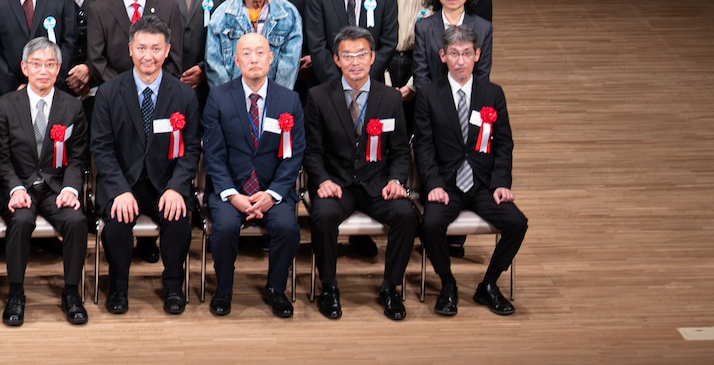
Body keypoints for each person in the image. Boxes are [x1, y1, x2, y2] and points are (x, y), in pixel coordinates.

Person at [304, 26, 417, 320]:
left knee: (406, 214)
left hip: (376, 184)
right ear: (336, 60)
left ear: (372, 58)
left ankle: (390, 288)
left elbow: (401, 151)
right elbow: (312, 151)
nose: (355, 61)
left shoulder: (390, 99)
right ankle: (328, 287)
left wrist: (396, 180)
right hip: (337, 184)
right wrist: (322, 180)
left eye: (361, 55)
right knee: (323, 215)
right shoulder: (318, 96)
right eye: (348, 55)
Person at [413, 25, 526, 316]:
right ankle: (447, 283)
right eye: (454, 54)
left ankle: (488, 285)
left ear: (477, 55)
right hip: (446, 185)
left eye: (466, 53)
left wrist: (501, 182)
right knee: (430, 225)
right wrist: (434, 184)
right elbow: (424, 147)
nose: (460, 61)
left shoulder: (493, 93)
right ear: (443, 56)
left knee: (517, 222)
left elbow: (504, 144)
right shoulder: (428, 95)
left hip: (482, 185)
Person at [91, 15, 197, 314]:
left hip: (165, 184)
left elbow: (190, 151)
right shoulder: (110, 93)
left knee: (178, 221)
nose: (148, 55)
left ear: (167, 51)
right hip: (123, 182)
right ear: (130, 50)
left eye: (155, 48)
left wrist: (177, 187)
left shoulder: (184, 95)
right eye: (141, 48)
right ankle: (118, 288)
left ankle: (174, 285)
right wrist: (119, 190)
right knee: (116, 225)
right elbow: (101, 147)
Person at [199, 32, 303, 318]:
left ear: (271, 58)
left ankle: (276, 289)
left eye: (260, 52)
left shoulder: (290, 100)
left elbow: (293, 155)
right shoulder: (218, 98)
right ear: (236, 60)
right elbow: (214, 154)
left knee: (287, 228)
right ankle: (224, 290)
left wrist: (272, 194)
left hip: (272, 190)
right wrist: (232, 195)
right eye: (246, 53)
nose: (254, 58)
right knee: (224, 229)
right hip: (230, 190)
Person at [0, 35, 89, 325]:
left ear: (59, 69)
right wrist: (14, 188)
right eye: (36, 64)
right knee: (20, 221)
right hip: (19, 186)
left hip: (56, 187)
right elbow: (0, 157)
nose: (43, 71)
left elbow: (78, 157)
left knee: (76, 220)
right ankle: (16, 294)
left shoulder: (72, 107)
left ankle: (71, 292)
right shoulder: (5, 106)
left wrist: (71, 188)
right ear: (24, 67)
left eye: (50, 64)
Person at [205, 0, 304, 89]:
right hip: (231, 101)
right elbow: (215, 67)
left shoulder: (288, 15)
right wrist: (232, 101)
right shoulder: (222, 15)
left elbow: (288, 69)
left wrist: (274, 102)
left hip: (274, 101)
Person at [413, 0, 495, 85]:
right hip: (432, 100)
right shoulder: (423, 28)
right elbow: (420, 75)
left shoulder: (483, 28)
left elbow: (482, 74)